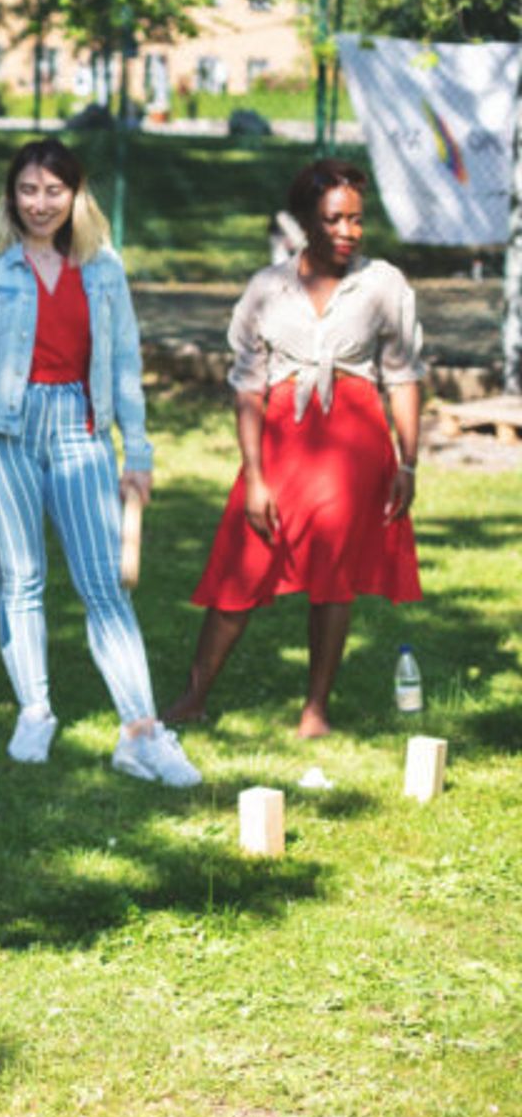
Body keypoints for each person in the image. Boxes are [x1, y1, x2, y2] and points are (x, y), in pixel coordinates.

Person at [0, 138, 200, 787]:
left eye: (54, 190)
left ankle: (139, 733)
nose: (40, 203)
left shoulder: (103, 268)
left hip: (81, 430)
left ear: (77, 196)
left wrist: (137, 451)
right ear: (10, 195)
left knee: (105, 584)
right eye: (27, 189)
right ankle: (35, 709)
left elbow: (127, 363)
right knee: (21, 578)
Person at [163, 159, 422, 739]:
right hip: (282, 438)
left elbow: (403, 376)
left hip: (353, 443)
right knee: (242, 560)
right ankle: (194, 696)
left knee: (334, 573)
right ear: (305, 220)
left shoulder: (383, 284)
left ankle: (316, 710)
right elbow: (248, 388)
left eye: (357, 219)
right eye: (334, 220)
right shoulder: (267, 288)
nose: (349, 232)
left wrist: (407, 460)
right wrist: (254, 476)